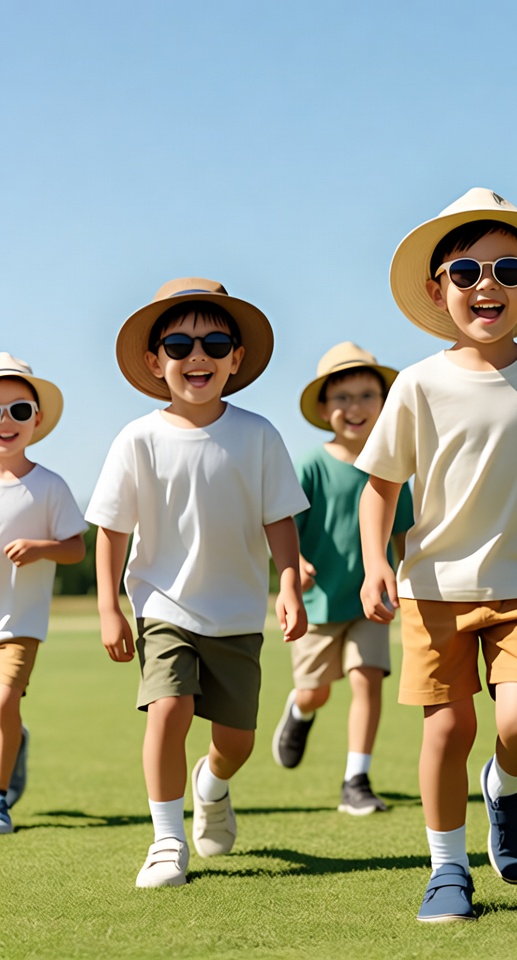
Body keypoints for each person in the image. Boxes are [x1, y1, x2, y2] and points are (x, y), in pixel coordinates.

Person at [356, 187, 517, 923]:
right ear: (439, 291)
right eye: (464, 272)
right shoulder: (416, 384)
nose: (484, 285)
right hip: (432, 587)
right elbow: (380, 487)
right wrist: (377, 562)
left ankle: (505, 785)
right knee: (447, 729)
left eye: (505, 269)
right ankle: (446, 870)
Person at [86, 278, 309, 888]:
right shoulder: (137, 439)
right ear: (156, 361)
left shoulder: (259, 434)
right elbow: (110, 530)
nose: (197, 355)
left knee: (234, 742)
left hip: (237, 615)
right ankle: (165, 841)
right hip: (163, 606)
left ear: (236, 358)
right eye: (179, 343)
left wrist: (288, 583)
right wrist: (110, 608)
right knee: (168, 709)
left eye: (215, 341)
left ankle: (211, 786)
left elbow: (280, 518)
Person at [272, 342, 414, 815]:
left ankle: (356, 778)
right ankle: (300, 710)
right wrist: (295, 564)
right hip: (317, 602)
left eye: (367, 396)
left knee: (367, 680)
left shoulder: (393, 469)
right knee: (316, 689)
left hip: (370, 602)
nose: (355, 408)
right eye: (343, 397)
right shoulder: (311, 465)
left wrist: (408, 584)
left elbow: (404, 536)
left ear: (384, 402)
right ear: (323, 407)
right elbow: (281, 522)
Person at [0, 354, 86, 834]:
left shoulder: (49, 486)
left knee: (2, 700)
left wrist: (41, 548)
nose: (5, 422)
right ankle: (14, 739)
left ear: (38, 418)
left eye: (17, 410)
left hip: (20, 622)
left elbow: (76, 548)